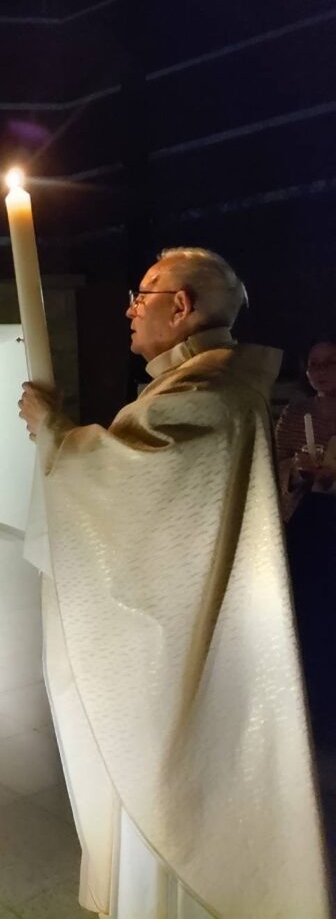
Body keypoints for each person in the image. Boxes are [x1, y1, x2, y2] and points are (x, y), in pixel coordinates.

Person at [18, 248, 328, 919]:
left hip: (185, 639)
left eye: (143, 294)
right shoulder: (196, 383)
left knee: (173, 777)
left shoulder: (211, 391)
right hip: (179, 614)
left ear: (181, 306)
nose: (131, 309)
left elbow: (131, 479)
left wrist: (53, 432)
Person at [276, 339, 336, 747]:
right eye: (315, 364)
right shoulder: (296, 414)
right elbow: (276, 464)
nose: (321, 371)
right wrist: (299, 473)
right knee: (311, 617)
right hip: (309, 524)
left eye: (330, 363)